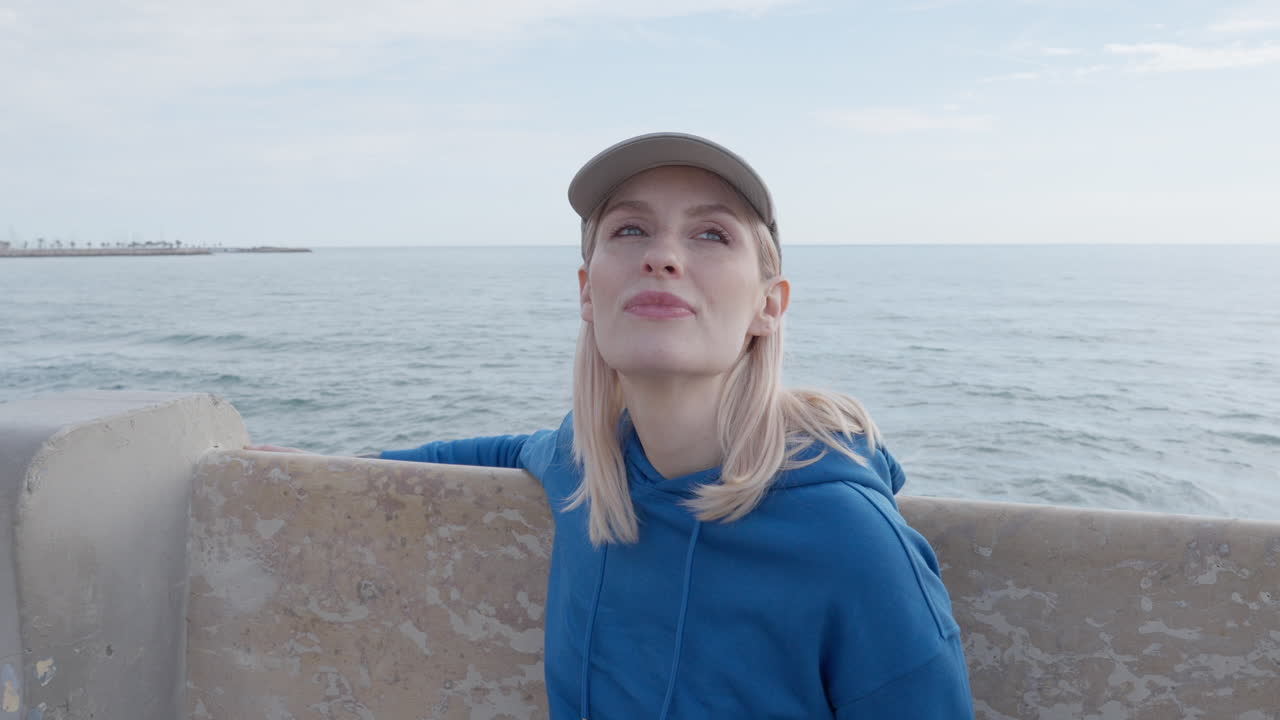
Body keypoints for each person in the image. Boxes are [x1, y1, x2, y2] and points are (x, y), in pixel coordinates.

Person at [251, 132, 974, 718]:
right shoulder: (582, 463)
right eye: (630, 229)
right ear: (587, 294)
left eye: (711, 234)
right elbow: (500, 450)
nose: (662, 256)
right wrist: (325, 468)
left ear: (769, 306)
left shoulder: (851, 543)